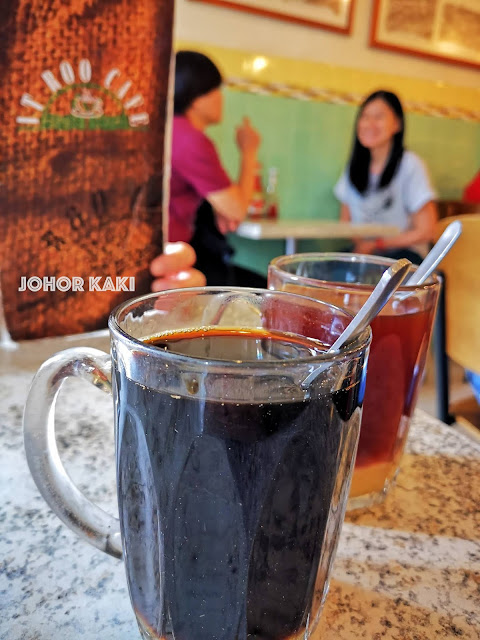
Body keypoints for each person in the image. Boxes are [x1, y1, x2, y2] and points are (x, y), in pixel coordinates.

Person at [169, 50, 266, 286]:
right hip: (172, 259)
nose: (221, 98)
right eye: (216, 90)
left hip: (177, 251)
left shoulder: (173, 131)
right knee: (261, 288)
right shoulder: (190, 139)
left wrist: (217, 208)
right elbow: (237, 210)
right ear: (197, 97)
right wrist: (249, 150)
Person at [334, 90, 438, 264]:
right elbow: (346, 222)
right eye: (365, 116)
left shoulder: (410, 165)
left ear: (397, 124)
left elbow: (427, 230)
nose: (370, 124)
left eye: (378, 117)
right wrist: (363, 245)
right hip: (366, 255)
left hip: (404, 257)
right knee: (322, 275)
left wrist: (378, 244)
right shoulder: (354, 167)